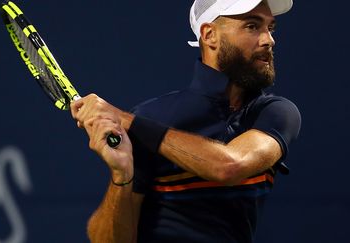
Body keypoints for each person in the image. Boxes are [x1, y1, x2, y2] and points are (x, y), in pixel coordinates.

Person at [71, 0, 301, 242]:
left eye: (270, 28)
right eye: (252, 26)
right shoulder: (151, 118)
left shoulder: (276, 112)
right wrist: (121, 175)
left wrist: (127, 120)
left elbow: (229, 167)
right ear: (209, 35)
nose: (268, 40)